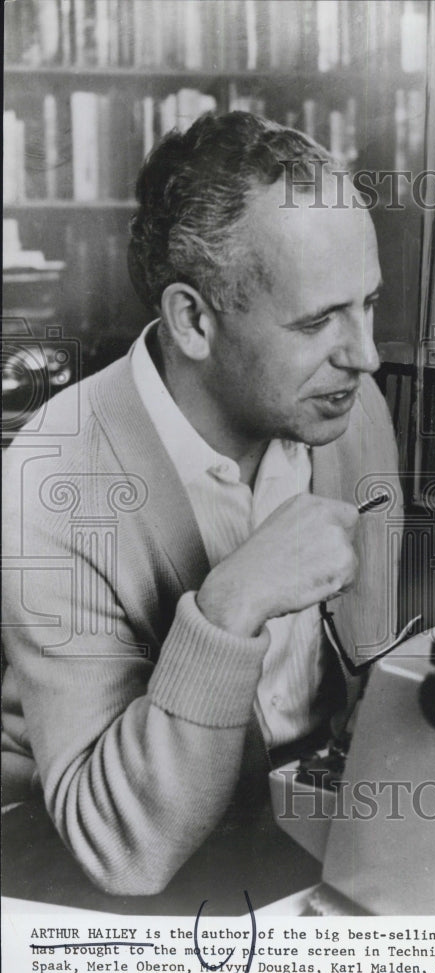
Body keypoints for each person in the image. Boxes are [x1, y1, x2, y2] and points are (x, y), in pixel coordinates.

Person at [1, 113, 400, 895]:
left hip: (296, 822)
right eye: (319, 321)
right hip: (79, 858)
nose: (367, 354)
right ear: (193, 321)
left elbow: (369, 671)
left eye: (369, 304)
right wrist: (232, 606)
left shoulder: (350, 411)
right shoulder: (52, 478)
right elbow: (125, 850)